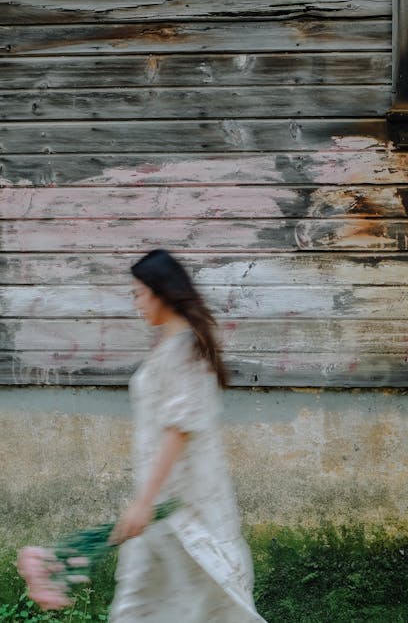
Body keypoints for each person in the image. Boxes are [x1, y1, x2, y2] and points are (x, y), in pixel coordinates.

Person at [107, 249, 265, 622]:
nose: (135, 303)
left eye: (138, 293)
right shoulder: (173, 347)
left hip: (182, 509)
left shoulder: (185, 351)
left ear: (160, 292)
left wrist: (143, 503)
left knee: (190, 606)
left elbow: (178, 433)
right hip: (165, 509)